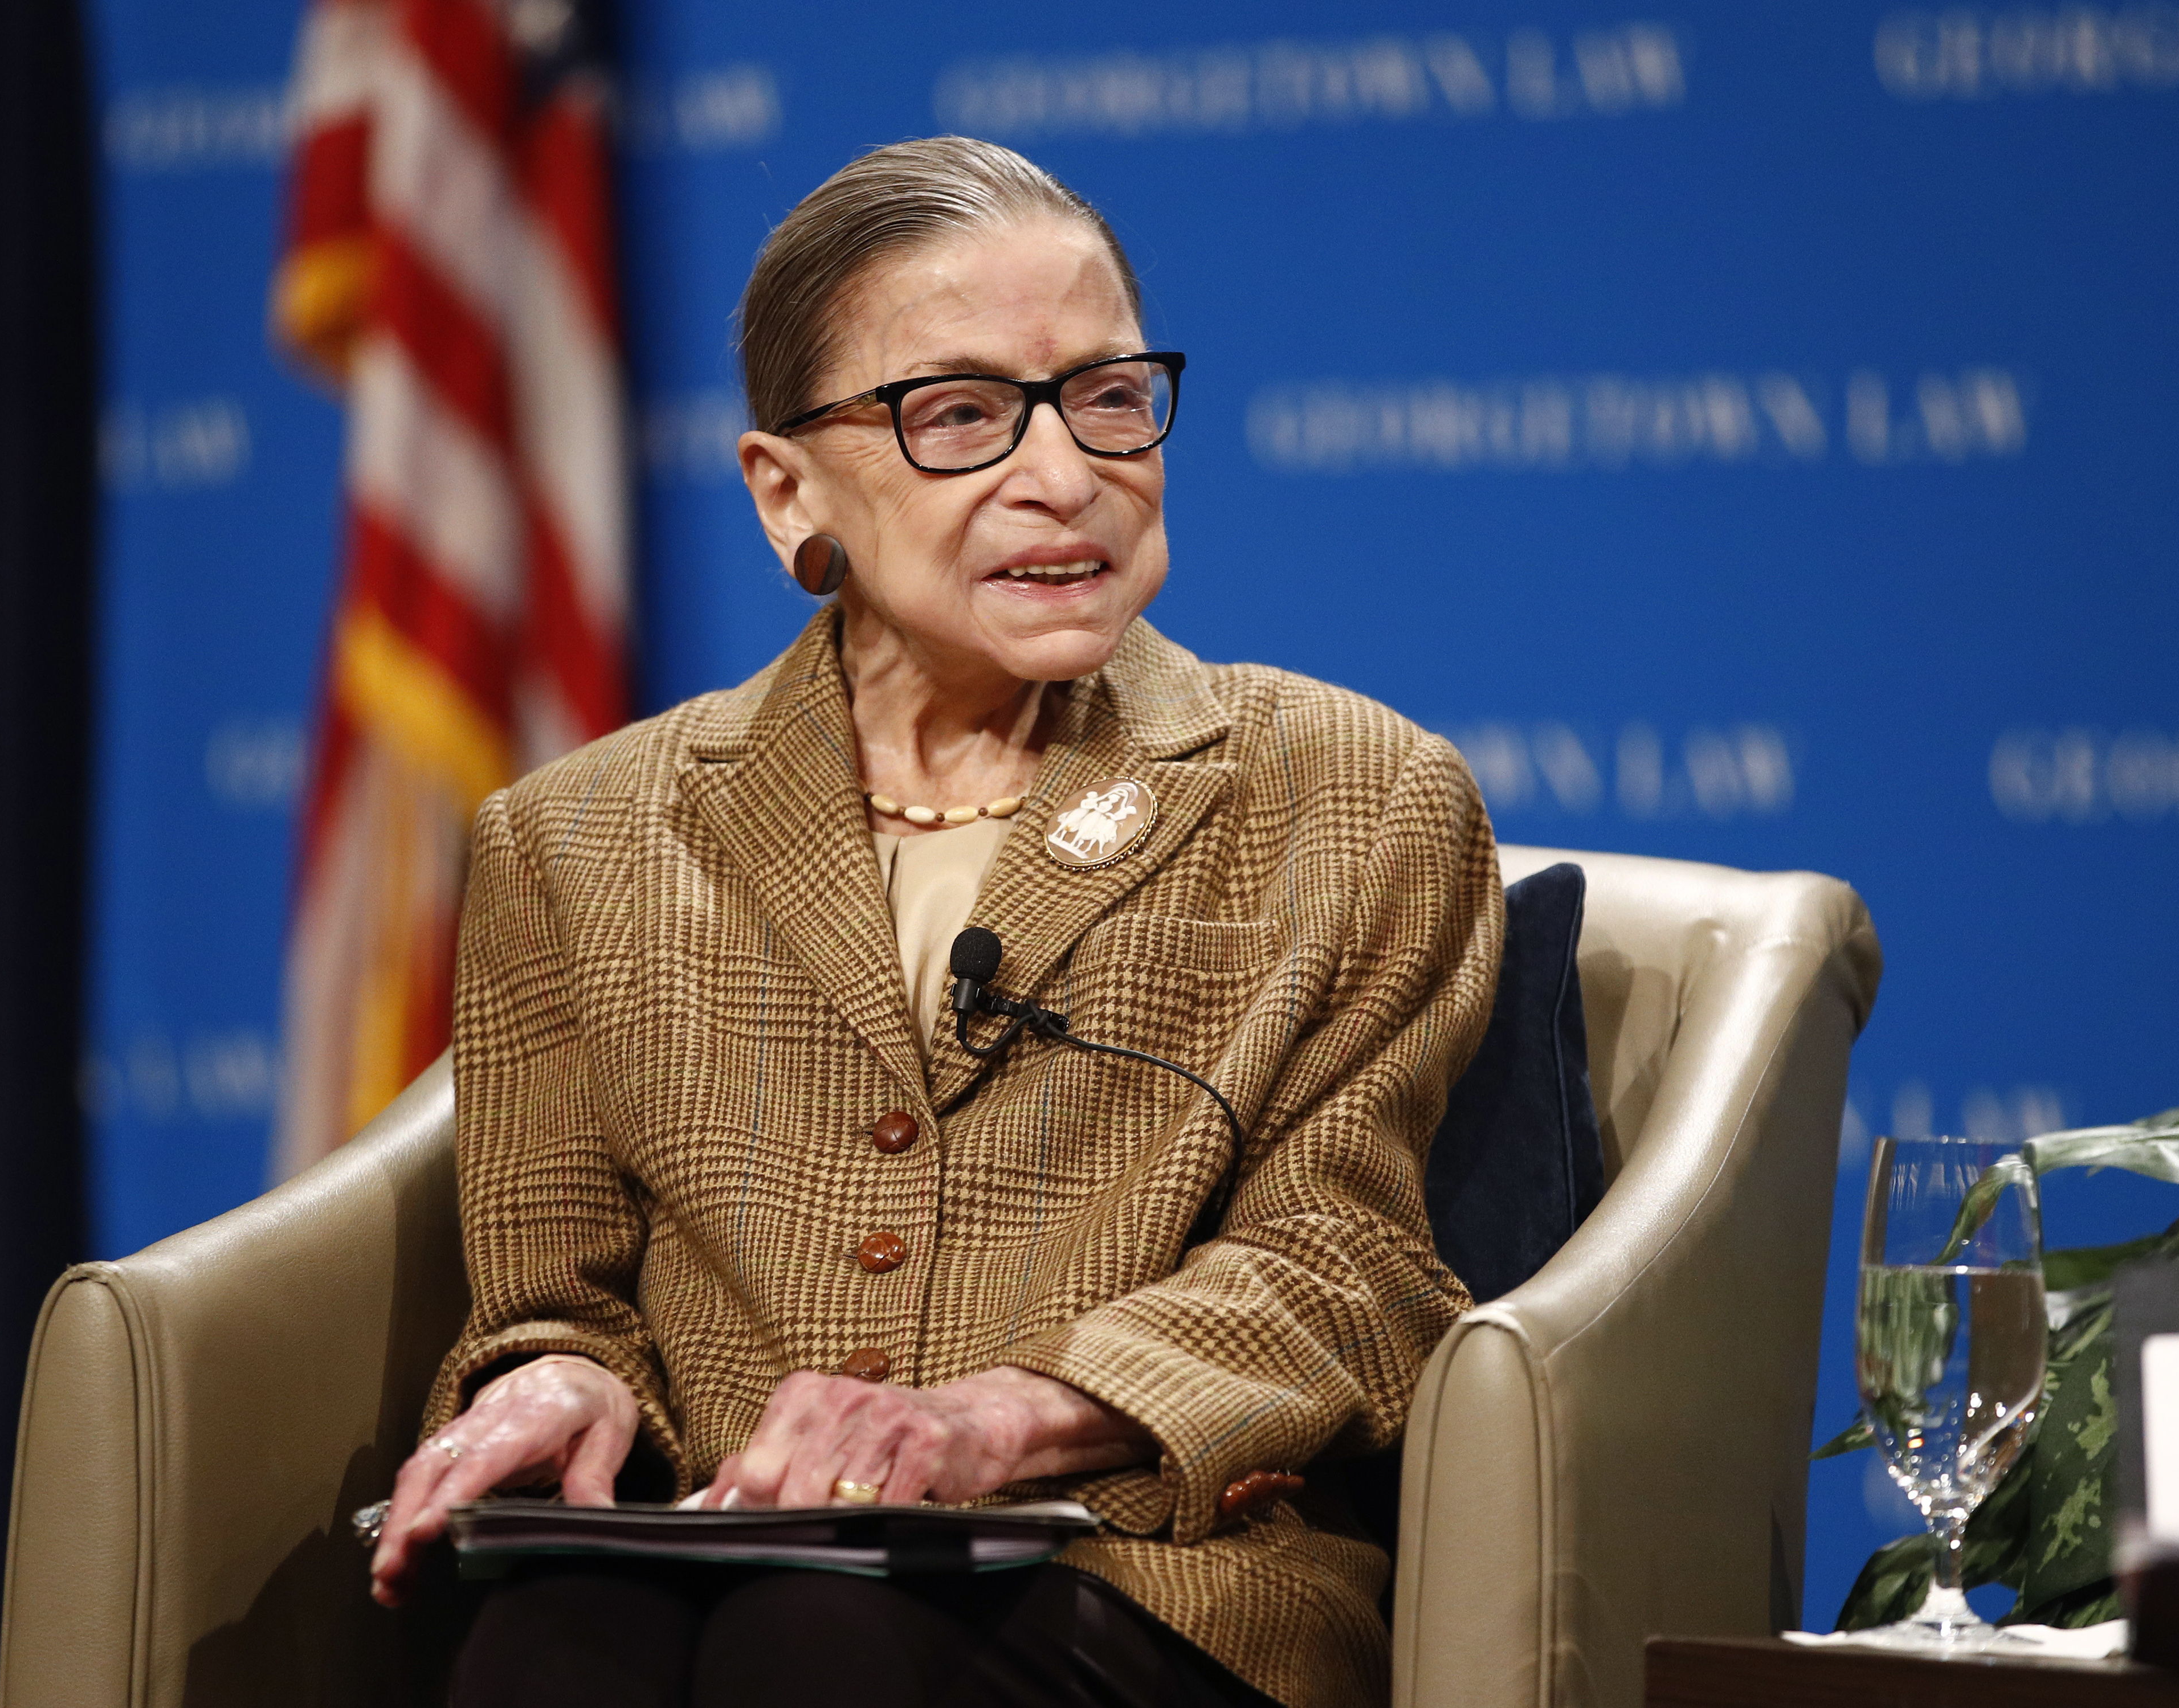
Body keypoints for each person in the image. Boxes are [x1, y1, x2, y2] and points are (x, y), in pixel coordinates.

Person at [368, 136, 1503, 1708]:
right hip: (704, 1553)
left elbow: (1344, 1272)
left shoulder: (1348, 794)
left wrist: (997, 1419)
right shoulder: (575, 841)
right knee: (546, 1646)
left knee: (814, 1649)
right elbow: (553, 1300)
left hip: (1150, 1580)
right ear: (788, 491)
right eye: (960, 414)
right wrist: (554, 1383)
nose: (1066, 472)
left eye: (1107, 396)